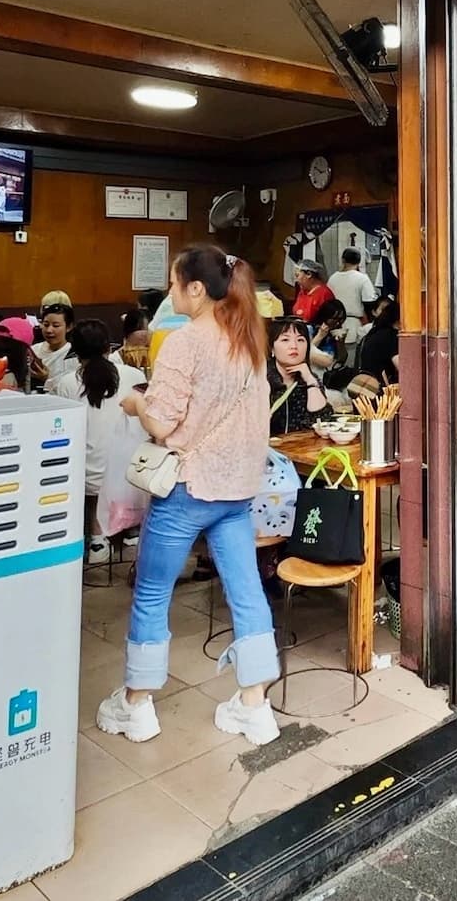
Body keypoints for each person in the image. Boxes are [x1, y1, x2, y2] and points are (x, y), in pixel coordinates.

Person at [98, 244, 278, 746]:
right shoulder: (248, 340)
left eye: (176, 283)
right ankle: (255, 705)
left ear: (196, 289)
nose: (172, 291)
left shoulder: (183, 342)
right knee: (246, 592)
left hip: (186, 487)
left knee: (153, 591)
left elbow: (162, 420)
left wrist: (135, 402)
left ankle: (136, 704)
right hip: (236, 490)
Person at [50, 319, 143, 560]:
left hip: (88, 479)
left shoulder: (67, 383)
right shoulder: (134, 375)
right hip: (133, 474)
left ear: (76, 351)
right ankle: (132, 529)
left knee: (91, 474)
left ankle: (97, 540)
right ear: (108, 347)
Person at [267, 318, 330, 433]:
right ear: (272, 348)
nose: (294, 346)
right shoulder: (260, 380)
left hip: (300, 447)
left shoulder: (311, 379)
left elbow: (322, 423)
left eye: (300, 340)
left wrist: (310, 381)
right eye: (285, 340)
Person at [328, 248, 377, 353]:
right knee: (352, 359)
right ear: (359, 262)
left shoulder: (332, 278)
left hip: (334, 324)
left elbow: (328, 303)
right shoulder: (362, 278)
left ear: (343, 260)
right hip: (354, 324)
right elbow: (370, 303)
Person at [34, 303, 78, 383]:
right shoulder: (34, 350)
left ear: (69, 327)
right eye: (46, 325)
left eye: (56, 326)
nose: (49, 330)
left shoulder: (73, 355)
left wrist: (46, 379)